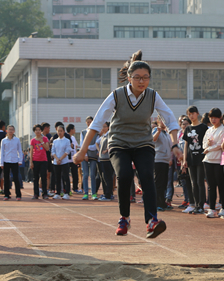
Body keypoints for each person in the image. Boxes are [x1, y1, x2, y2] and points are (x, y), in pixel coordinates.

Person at [73, 50, 182, 239]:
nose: (142, 82)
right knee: (123, 176)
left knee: (147, 176)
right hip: (119, 143)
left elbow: (170, 119)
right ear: (129, 78)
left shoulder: (153, 96)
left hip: (143, 143)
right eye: (137, 78)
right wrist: (83, 151)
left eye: (146, 78)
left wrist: (175, 145)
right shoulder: (117, 95)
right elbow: (98, 122)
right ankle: (124, 217)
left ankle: (152, 221)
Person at [202, 108, 224, 218]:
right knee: (211, 186)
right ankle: (212, 209)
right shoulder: (209, 130)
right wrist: (209, 146)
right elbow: (204, 145)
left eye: (215, 117)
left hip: (218, 161)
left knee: (221, 185)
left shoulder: (223, 129)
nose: (213, 119)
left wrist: (209, 147)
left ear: (220, 118)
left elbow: (221, 145)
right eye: (211, 117)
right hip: (208, 160)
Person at [183, 105, 208, 214]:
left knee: (200, 182)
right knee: (193, 182)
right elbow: (186, 144)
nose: (191, 116)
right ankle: (196, 204)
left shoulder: (203, 127)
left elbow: (207, 141)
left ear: (197, 113)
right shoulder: (188, 128)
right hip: (191, 158)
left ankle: (201, 205)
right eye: (189, 114)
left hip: (201, 158)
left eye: (193, 113)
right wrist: (184, 159)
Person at [153, 117, 173, 210]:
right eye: (162, 120)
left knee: (164, 183)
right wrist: (158, 131)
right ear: (158, 121)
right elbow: (152, 140)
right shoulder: (156, 130)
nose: (164, 122)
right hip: (158, 160)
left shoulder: (167, 133)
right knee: (158, 183)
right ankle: (157, 203)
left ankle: (162, 202)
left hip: (165, 160)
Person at [0, 125, 23, 201]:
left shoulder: (17, 140)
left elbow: (20, 151)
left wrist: (20, 160)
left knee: (16, 178)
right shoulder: (3, 140)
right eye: (9, 129)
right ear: (7, 130)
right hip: (6, 160)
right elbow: (1, 152)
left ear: (14, 131)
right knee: (6, 178)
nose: (10, 131)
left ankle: (18, 195)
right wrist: (1, 163)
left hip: (15, 161)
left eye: (12, 129)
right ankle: (6, 194)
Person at [51, 124, 73, 199]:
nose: (59, 132)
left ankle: (66, 193)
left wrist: (60, 159)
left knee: (66, 177)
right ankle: (57, 193)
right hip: (56, 162)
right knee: (57, 178)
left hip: (64, 162)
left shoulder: (67, 140)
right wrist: (57, 159)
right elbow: (53, 151)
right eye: (58, 131)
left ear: (64, 131)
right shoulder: (55, 141)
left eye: (61, 131)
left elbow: (67, 151)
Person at [80, 117, 99, 200]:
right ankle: (86, 193)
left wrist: (86, 147)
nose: (89, 123)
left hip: (93, 156)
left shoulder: (96, 133)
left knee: (92, 175)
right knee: (85, 175)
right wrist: (85, 153)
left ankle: (94, 193)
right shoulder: (83, 132)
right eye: (88, 122)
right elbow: (81, 144)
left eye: (90, 122)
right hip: (84, 156)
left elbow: (95, 146)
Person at [30, 124, 49, 199]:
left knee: (44, 177)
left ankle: (44, 193)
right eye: (36, 130)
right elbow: (31, 151)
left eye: (39, 130)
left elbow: (47, 148)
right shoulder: (33, 140)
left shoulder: (44, 139)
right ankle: (36, 193)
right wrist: (31, 162)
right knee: (35, 178)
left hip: (43, 160)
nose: (38, 131)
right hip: (35, 160)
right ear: (34, 131)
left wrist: (42, 142)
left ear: (41, 130)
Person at [67, 124, 81, 193]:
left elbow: (76, 146)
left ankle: (75, 188)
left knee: (75, 174)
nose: (75, 130)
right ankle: (67, 188)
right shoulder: (66, 137)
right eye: (74, 129)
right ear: (71, 130)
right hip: (67, 159)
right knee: (66, 175)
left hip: (73, 159)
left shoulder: (73, 138)